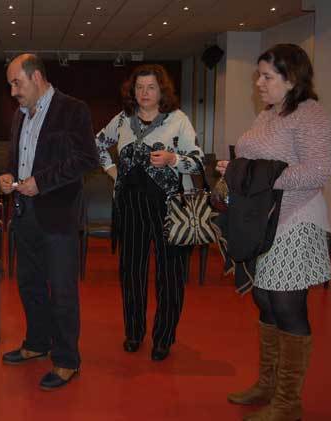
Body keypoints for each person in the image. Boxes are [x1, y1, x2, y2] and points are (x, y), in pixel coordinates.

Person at [216, 44, 331, 420]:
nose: (259, 83)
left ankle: (287, 402)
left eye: (267, 76)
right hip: (263, 222)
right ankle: (267, 385)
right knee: (264, 299)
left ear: (292, 78)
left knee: (287, 306)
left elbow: (318, 170)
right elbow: (255, 161)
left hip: (296, 220)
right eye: (259, 75)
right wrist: (236, 169)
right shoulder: (268, 113)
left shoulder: (310, 115)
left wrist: (254, 176)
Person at [0, 54, 99, 390]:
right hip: (24, 212)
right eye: (11, 85)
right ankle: (37, 343)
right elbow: (16, 158)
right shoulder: (20, 115)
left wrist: (41, 182)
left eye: (17, 83)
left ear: (37, 77)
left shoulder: (73, 109)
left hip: (58, 215)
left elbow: (86, 158)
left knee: (62, 290)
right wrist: (8, 175)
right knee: (29, 284)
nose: (13, 91)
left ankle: (67, 359)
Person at [96, 64, 203, 361]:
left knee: (170, 275)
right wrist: (114, 172)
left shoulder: (178, 120)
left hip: (169, 207)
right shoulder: (122, 120)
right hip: (130, 206)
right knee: (131, 272)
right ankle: (134, 332)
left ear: (162, 90)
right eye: (139, 87)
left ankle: (163, 338)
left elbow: (197, 162)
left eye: (151, 87)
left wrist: (172, 159)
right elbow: (97, 145)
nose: (144, 93)